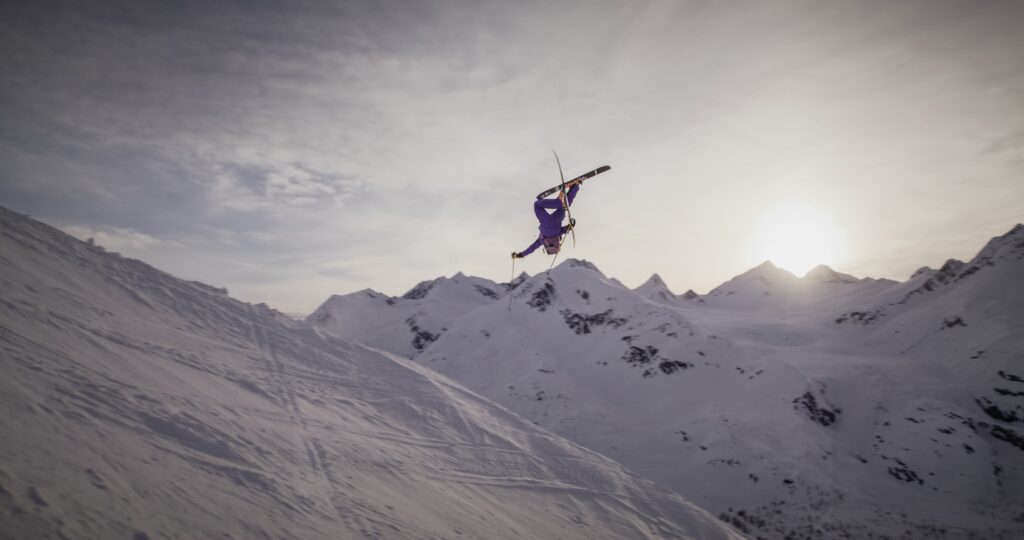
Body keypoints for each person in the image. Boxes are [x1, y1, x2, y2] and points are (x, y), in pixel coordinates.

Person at [512, 181, 581, 259]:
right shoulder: (542, 240)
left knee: (565, 206)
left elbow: (565, 229)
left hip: (556, 222)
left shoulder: (557, 237)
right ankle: (558, 202)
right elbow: (532, 248)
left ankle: (575, 187)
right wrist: (520, 255)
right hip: (546, 221)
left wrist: (571, 226)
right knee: (537, 205)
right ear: (546, 247)